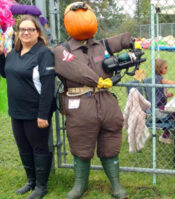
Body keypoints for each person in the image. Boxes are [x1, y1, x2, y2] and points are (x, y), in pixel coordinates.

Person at [54, 2, 131, 199]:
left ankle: (116, 184)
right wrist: (98, 81)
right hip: (80, 104)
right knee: (80, 143)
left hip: (106, 103)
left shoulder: (101, 45)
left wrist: (132, 42)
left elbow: (121, 40)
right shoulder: (62, 50)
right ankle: (80, 185)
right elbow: (74, 70)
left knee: (111, 141)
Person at [0, 15, 55, 199]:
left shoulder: (43, 54)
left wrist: (43, 114)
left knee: (39, 147)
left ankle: (41, 186)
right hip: (17, 111)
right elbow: (6, 73)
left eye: (30, 29)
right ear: (17, 33)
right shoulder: (14, 53)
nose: (25, 32)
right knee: (23, 147)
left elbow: (48, 87)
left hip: (35, 112)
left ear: (37, 32)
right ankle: (31, 181)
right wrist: (0, 55)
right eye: (22, 29)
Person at [155, 58, 175, 144]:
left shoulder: (158, 78)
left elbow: (158, 92)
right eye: (165, 68)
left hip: (160, 103)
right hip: (159, 106)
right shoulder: (159, 79)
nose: (167, 69)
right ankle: (164, 135)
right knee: (174, 112)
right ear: (159, 68)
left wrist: (166, 95)